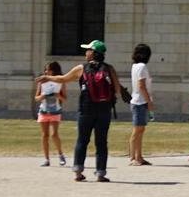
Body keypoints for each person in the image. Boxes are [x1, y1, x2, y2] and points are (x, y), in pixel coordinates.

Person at [40, 41, 124, 183]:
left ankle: (78, 172)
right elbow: (117, 90)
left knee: (82, 140)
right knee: (101, 142)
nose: (86, 52)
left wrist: (47, 77)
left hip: (86, 108)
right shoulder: (109, 69)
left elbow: (63, 79)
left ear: (93, 53)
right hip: (104, 110)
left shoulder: (82, 68)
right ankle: (100, 173)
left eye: (88, 50)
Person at [126, 43, 155, 166]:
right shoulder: (142, 67)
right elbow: (142, 86)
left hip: (139, 101)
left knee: (141, 129)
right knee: (137, 130)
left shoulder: (135, 66)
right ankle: (133, 157)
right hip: (139, 101)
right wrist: (149, 101)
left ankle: (139, 156)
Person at [36, 61, 67, 167]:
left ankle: (61, 155)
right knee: (45, 135)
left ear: (54, 70)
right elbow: (36, 98)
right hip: (43, 110)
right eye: (45, 70)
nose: (46, 72)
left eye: (48, 69)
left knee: (54, 134)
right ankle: (46, 159)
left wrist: (58, 95)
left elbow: (65, 98)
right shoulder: (41, 82)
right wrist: (42, 96)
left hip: (55, 111)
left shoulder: (60, 81)